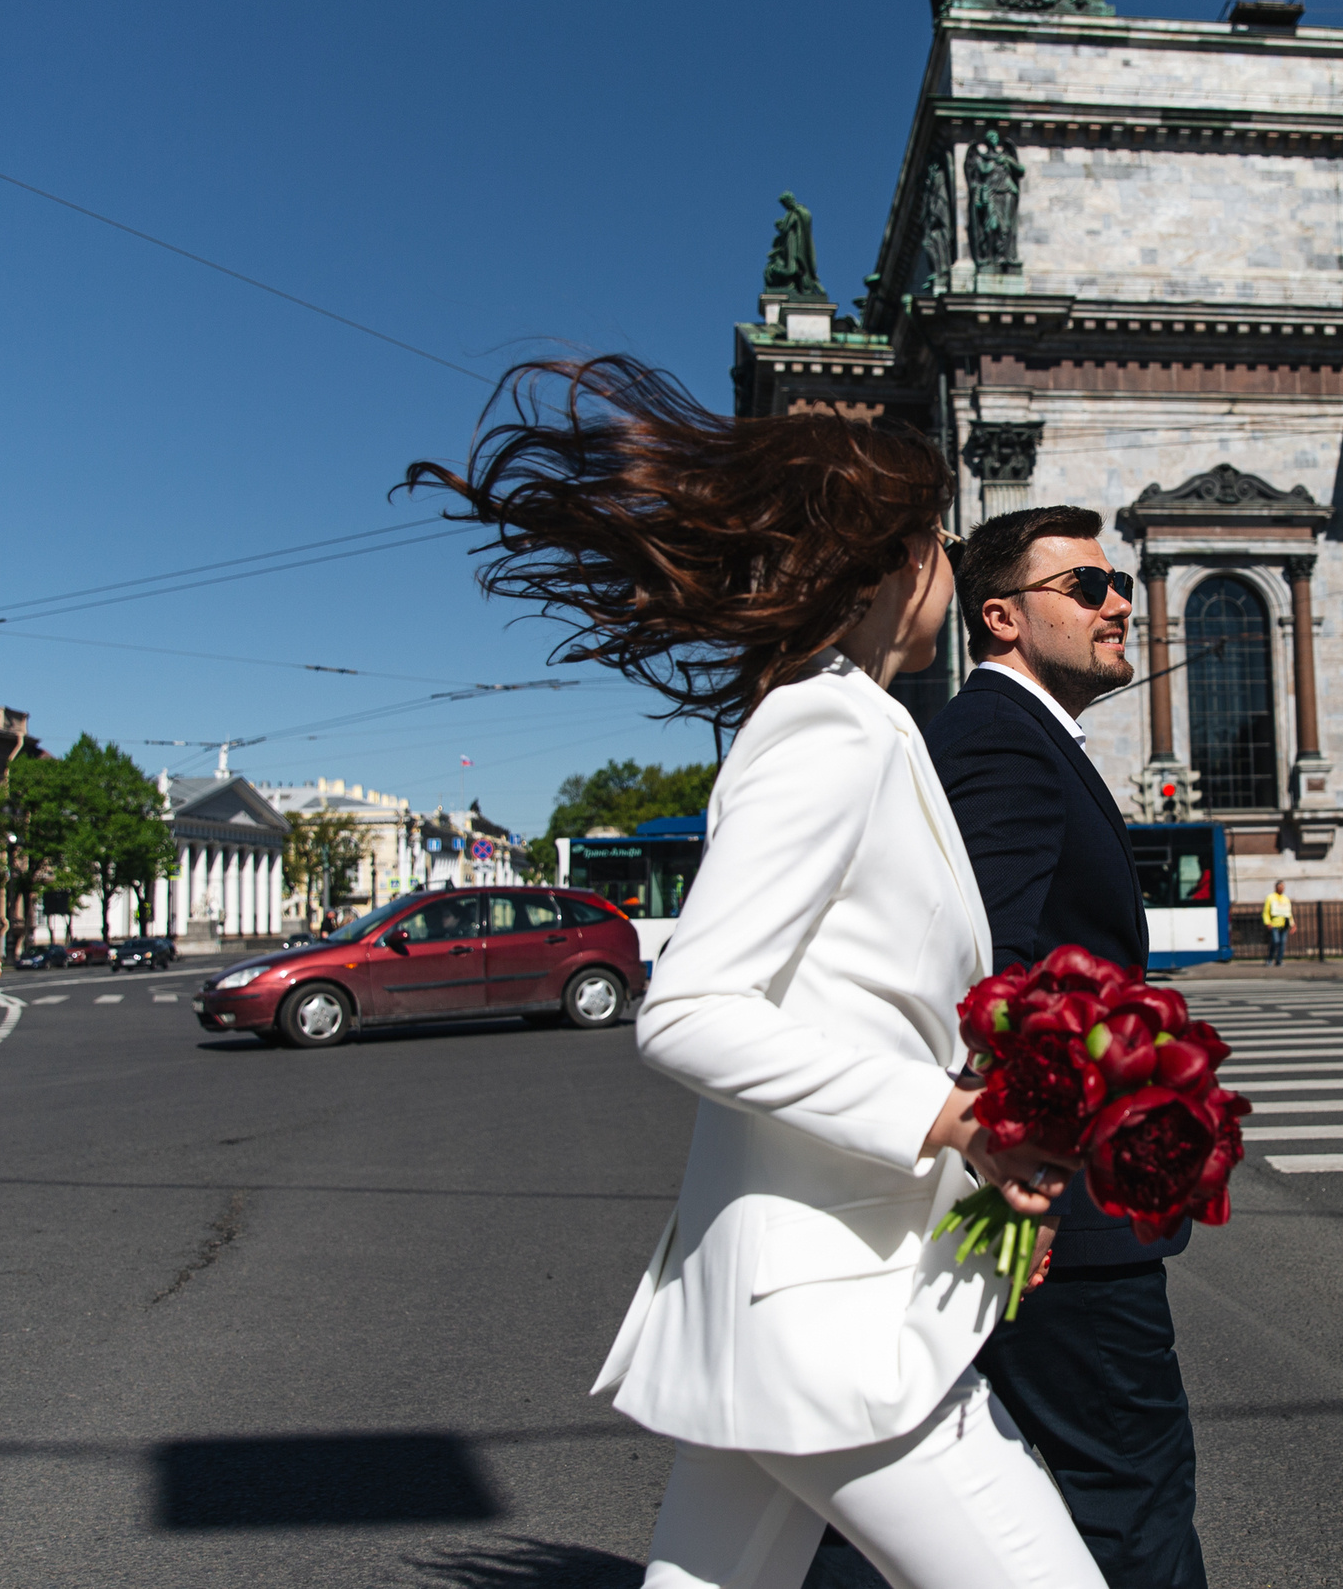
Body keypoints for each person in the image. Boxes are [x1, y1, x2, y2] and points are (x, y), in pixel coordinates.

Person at [407, 358, 1102, 1589]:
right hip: (836, 1314)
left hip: (797, 1293)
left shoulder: (855, 721)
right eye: (935, 538)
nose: (943, 561)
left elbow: (861, 1005)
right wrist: (953, 1118)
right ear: (891, 559)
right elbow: (691, 1014)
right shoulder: (828, 726)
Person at [918, 506, 1209, 1589]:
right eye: (1086, 587)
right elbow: (993, 971)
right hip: (1056, 1204)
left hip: (1042, 1188)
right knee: (1129, 1493)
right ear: (1001, 616)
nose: (1119, 602)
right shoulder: (1000, 734)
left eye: (1120, 581)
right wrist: (1028, 1178)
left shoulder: (1017, 733)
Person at [1261, 880, 1293, 967]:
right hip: (1274, 924)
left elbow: (1289, 913)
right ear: (1276, 887)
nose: (1282, 889)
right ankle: (1270, 959)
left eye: (1283, 887)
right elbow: (1266, 911)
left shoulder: (1285, 898)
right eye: (1280, 887)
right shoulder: (1270, 897)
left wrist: (1292, 924)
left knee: (1282, 942)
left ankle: (1279, 960)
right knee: (1275, 941)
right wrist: (1267, 922)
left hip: (1284, 924)